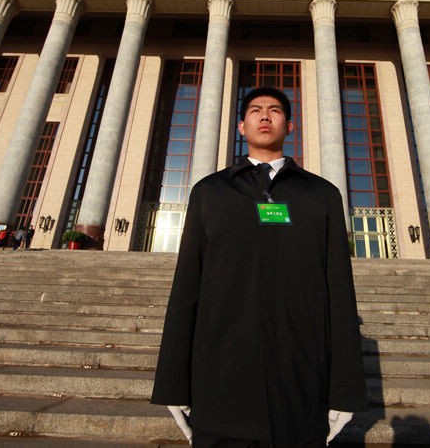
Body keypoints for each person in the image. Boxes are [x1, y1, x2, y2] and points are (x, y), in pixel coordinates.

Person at [151, 87, 367, 446]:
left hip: (299, 387)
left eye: (274, 111)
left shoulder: (321, 195)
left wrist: (344, 391)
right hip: (221, 382)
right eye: (255, 110)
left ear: (290, 126)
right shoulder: (211, 192)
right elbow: (187, 287)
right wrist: (174, 382)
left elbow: (339, 295)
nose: (264, 116)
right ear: (241, 126)